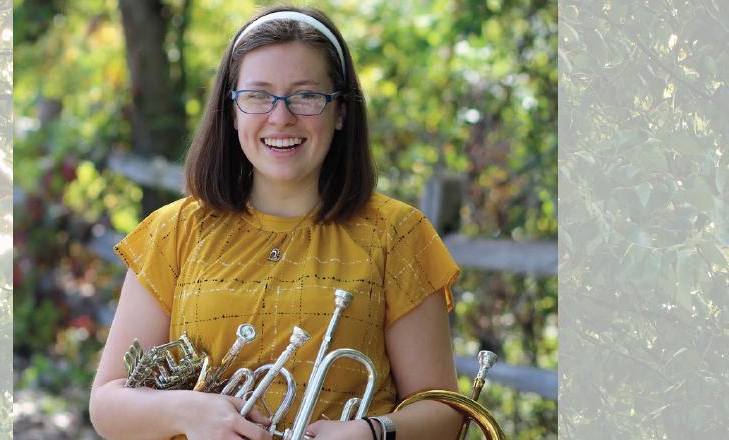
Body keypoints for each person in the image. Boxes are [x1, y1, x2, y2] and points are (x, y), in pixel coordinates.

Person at [90, 6, 463, 440]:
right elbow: (107, 405)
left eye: (306, 95)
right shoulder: (174, 232)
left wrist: (372, 432)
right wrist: (185, 412)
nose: (280, 117)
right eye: (258, 95)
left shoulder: (397, 234)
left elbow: (444, 414)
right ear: (232, 111)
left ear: (340, 111)